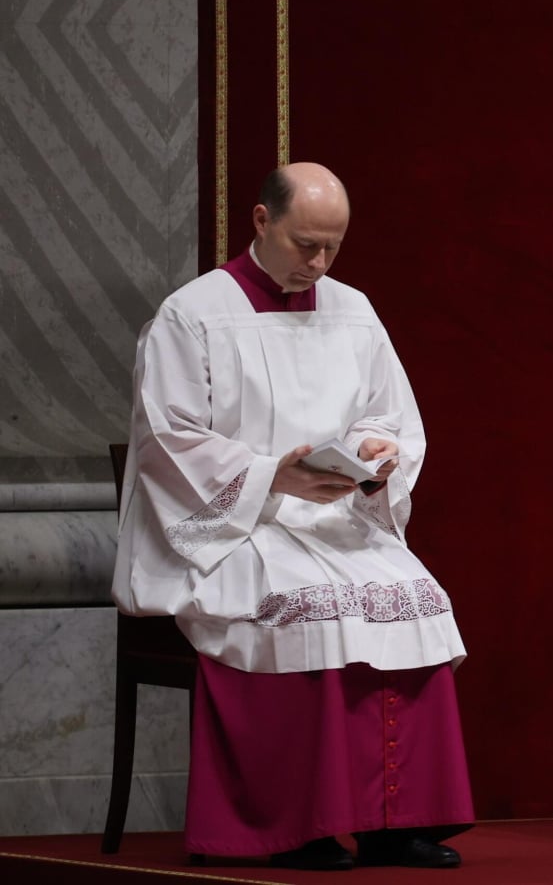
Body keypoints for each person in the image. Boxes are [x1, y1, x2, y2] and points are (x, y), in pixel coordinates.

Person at [111, 163, 473, 871]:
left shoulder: (353, 309)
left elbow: (391, 415)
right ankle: (293, 825)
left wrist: (379, 452)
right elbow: (168, 439)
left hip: (337, 517)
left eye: (333, 247)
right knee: (312, 605)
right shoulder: (193, 315)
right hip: (241, 522)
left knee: (417, 600)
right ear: (260, 221)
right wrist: (271, 475)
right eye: (306, 243)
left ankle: (393, 824)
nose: (319, 262)